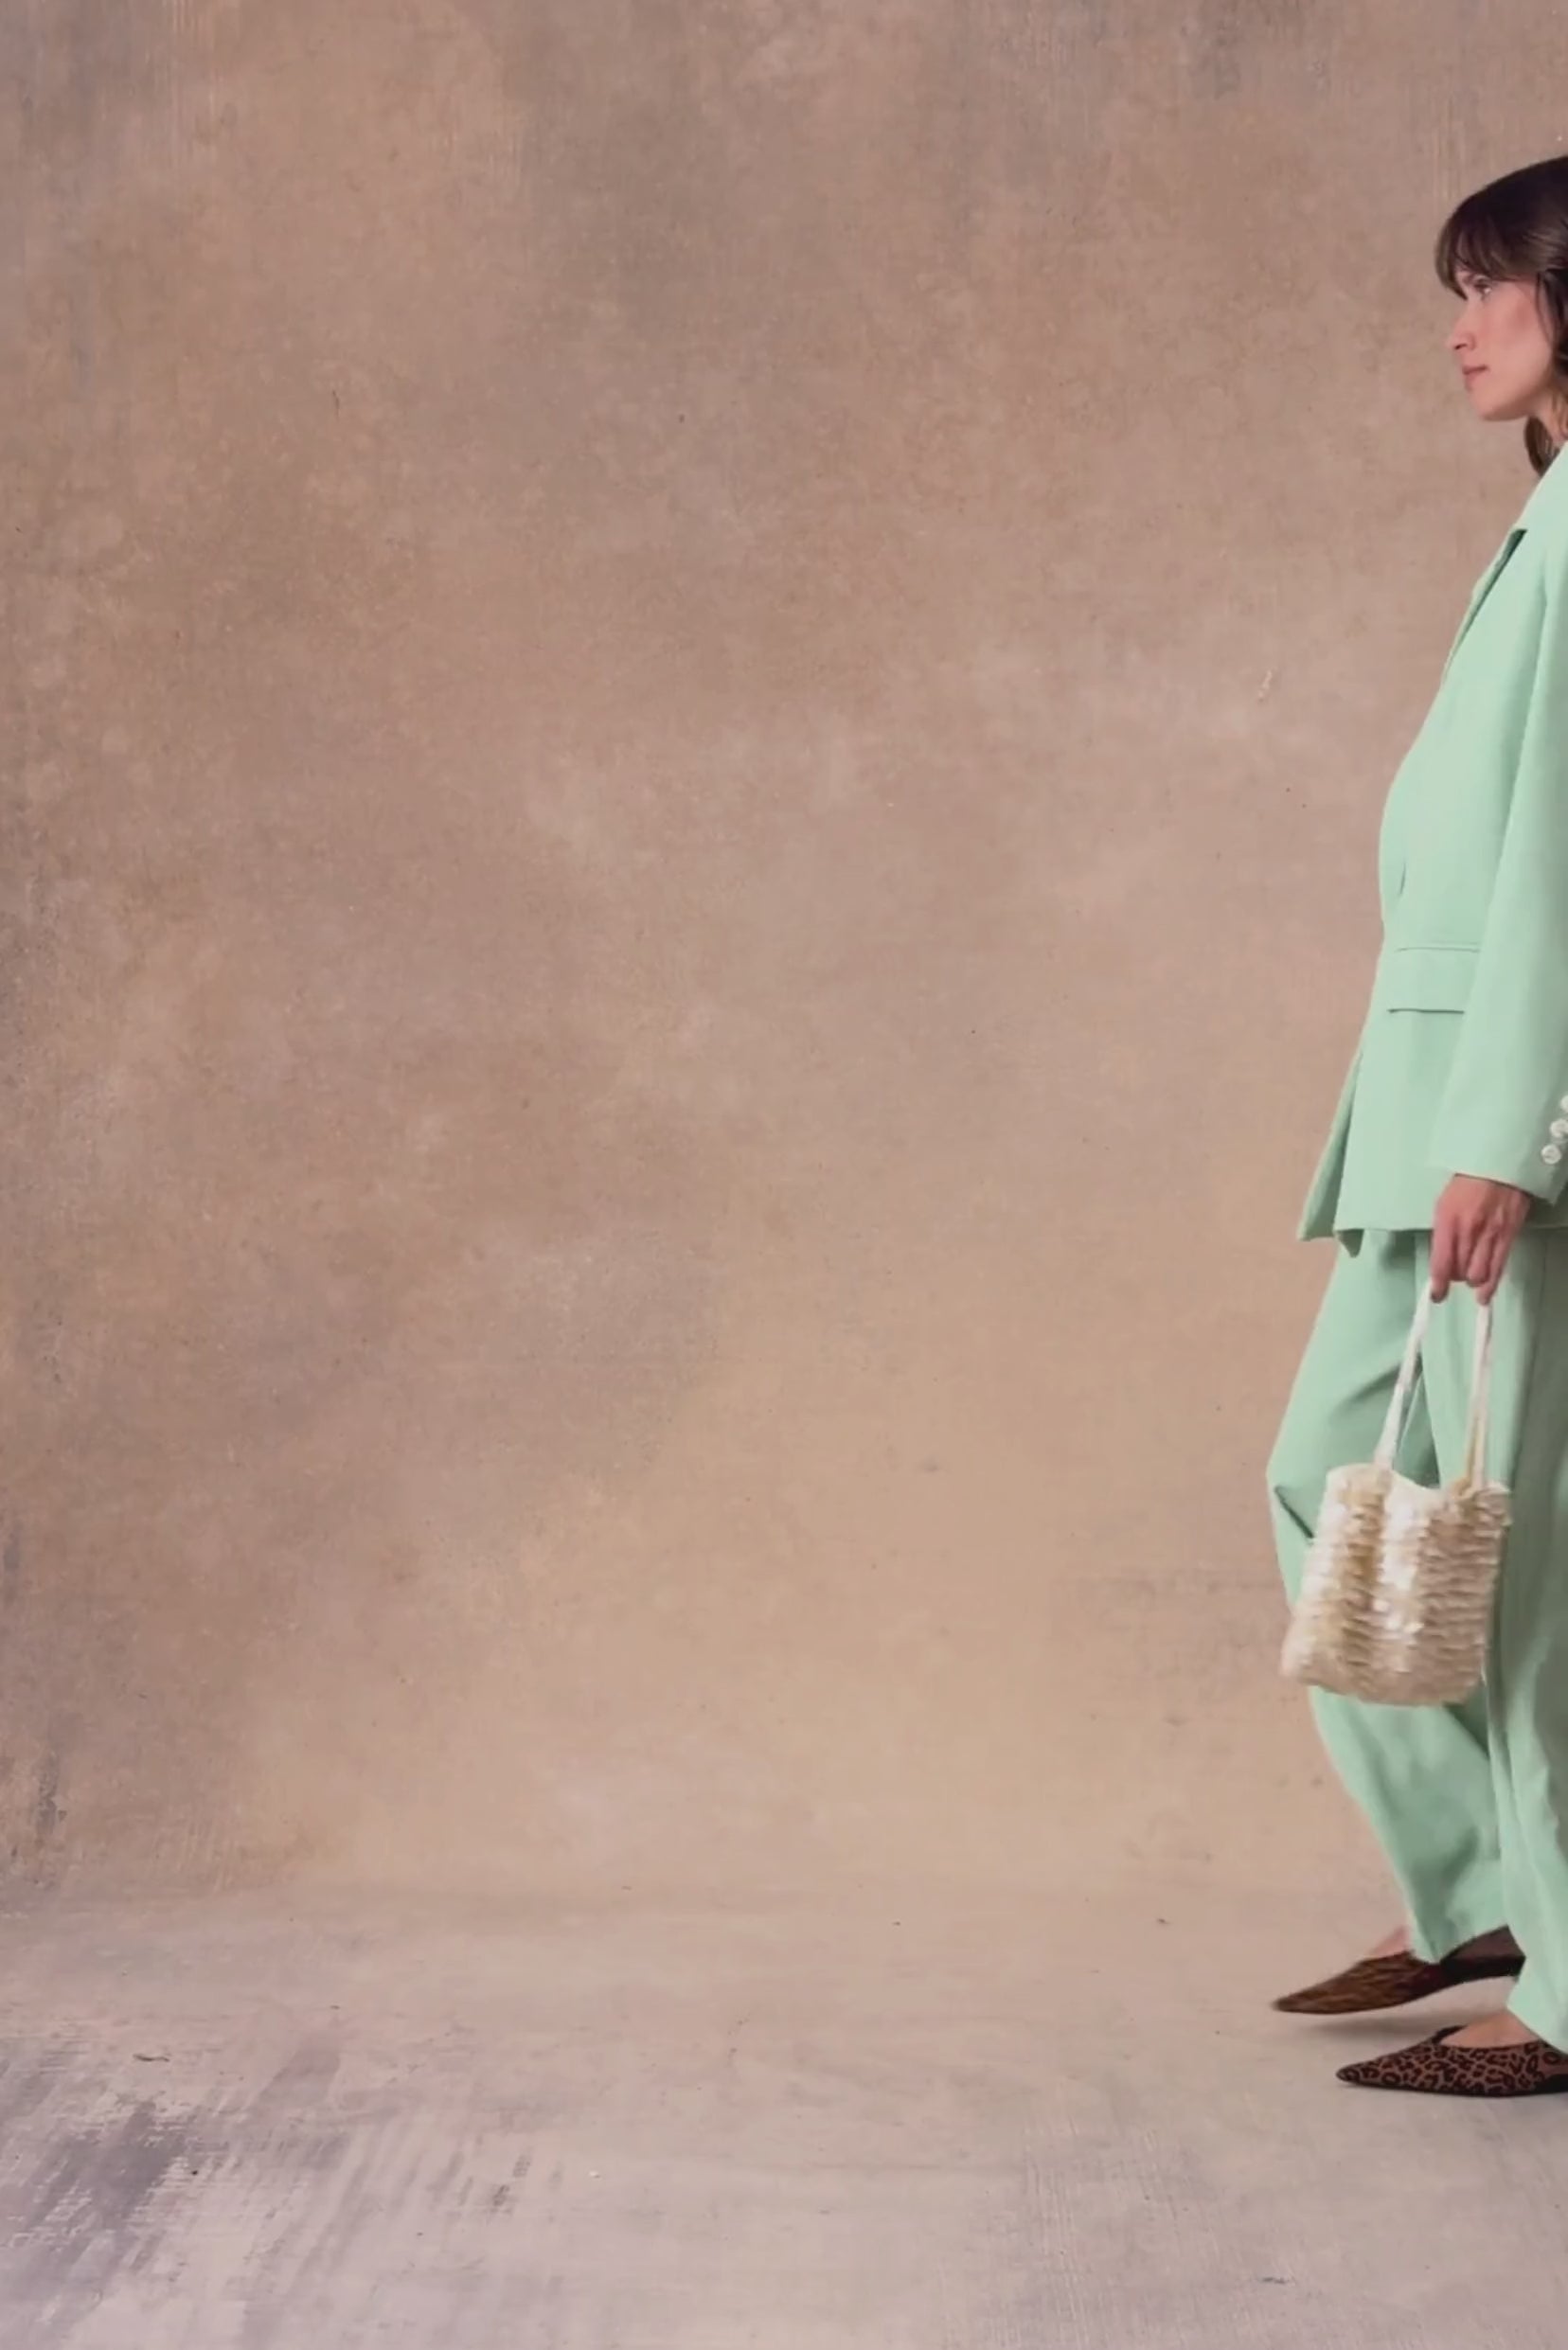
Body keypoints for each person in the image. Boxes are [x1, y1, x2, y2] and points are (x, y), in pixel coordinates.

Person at [1268, 154, 1568, 2099]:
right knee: (1329, 1481)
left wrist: (1513, 1136)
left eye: (1489, 288)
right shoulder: (1547, 521)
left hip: (1498, 1132)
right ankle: (1483, 1886)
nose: (1459, 330)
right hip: (1427, 1116)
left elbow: (1560, 863)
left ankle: (1566, 1985)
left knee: (1520, 1577)